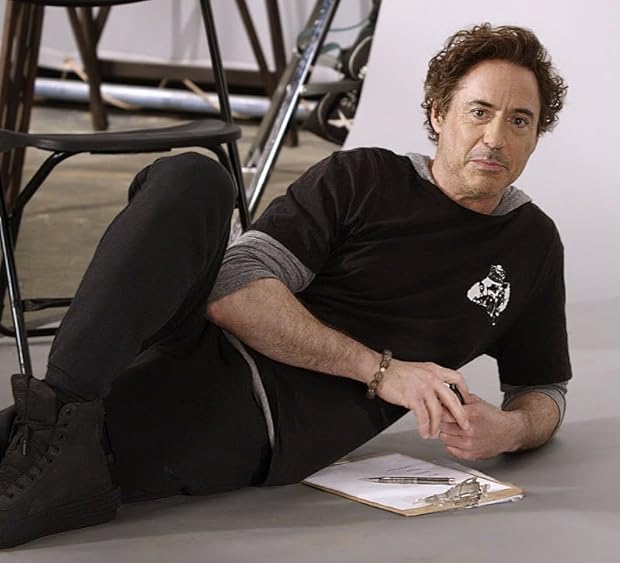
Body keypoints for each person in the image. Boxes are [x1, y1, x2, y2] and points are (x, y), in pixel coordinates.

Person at [0, 23, 571, 548]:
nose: (496, 137)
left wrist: (512, 429)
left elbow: (544, 387)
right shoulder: (363, 177)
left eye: (519, 121)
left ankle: (48, 438)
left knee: (60, 452)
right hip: (193, 340)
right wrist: (382, 371)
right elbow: (234, 288)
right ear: (439, 113)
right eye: (479, 111)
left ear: (535, 137)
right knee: (194, 177)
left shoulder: (533, 246)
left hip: (267, 420)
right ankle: (56, 422)